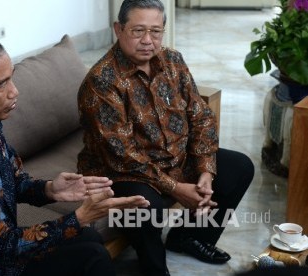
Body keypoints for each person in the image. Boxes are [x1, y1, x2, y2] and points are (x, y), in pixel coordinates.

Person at [0, 34, 150, 276]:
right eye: (1, 85)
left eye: (11, 78)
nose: (14, 91)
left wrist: (51, 189)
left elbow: (12, 180)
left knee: (88, 236)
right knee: (91, 256)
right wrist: (80, 216)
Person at [77, 0, 255, 275]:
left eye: (155, 31)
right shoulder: (101, 82)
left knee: (239, 167)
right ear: (118, 29)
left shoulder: (173, 60)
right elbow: (123, 155)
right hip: (121, 172)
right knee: (147, 206)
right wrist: (176, 188)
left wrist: (206, 170)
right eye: (138, 31)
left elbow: (200, 116)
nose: (148, 40)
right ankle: (153, 266)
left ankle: (189, 237)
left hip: (174, 157)